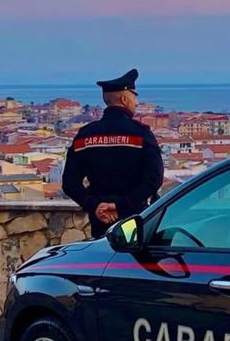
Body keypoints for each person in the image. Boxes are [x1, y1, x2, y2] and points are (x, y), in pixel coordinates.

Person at [62, 67, 164, 237]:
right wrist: (121, 205)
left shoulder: (84, 136)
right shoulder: (140, 134)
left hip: (100, 221)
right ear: (124, 99)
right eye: (134, 97)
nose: (136, 103)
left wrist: (95, 206)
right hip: (134, 219)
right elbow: (154, 180)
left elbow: (70, 184)